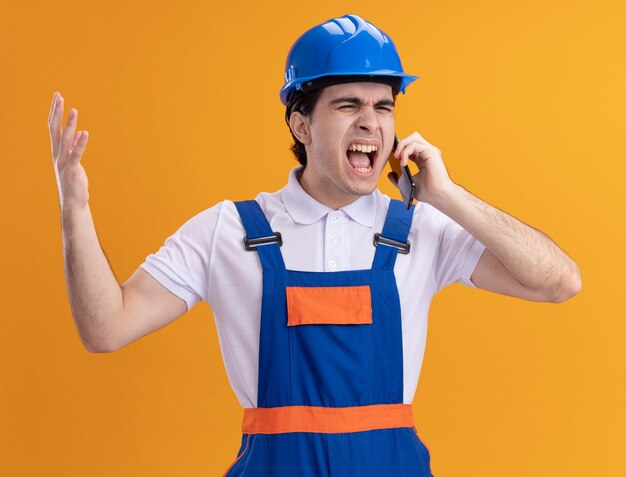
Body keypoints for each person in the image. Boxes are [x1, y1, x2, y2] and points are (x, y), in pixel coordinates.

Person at [49, 13, 581, 477]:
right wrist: (74, 211)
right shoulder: (227, 232)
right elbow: (106, 328)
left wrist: (448, 196)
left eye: (384, 106)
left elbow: (561, 282)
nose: (371, 122)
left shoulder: (419, 231)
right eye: (348, 104)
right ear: (301, 124)